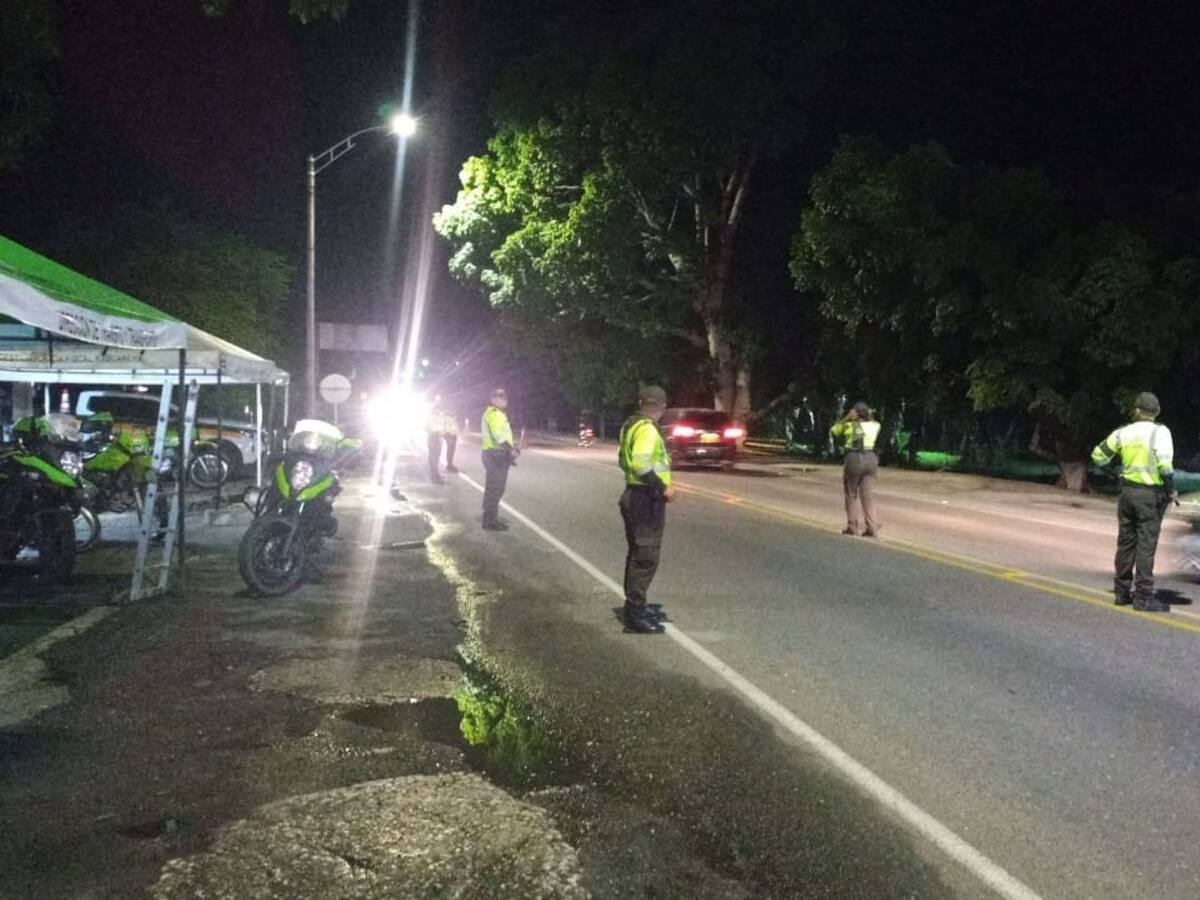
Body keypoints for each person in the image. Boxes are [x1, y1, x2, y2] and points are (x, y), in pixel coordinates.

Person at [1091, 392, 1176, 613]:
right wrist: (1171, 491)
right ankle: (1143, 596)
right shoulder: (1160, 432)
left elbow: (1098, 455)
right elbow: (1165, 466)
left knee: (1125, 544)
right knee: (1145, 546)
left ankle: (1121, 592)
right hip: (1149, 496)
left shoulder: (1123, 432)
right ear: (1157, 411)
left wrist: (1113, 473)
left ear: (1136, 410)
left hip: (1127, 494)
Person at [617, 385, 676, 634]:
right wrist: (663, 488)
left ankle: (634, 606)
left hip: (633, 495)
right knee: (645, 557)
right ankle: (635, 615)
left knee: (637, 554)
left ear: (641, 404)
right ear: (662, 407)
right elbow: (641, 465)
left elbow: (623, 460)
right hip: (644, 499)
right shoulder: (648, 430)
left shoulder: (631, 426)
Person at [830, 401, 882, 537]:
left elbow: (834, 431)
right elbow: (872, 421)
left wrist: (846, 418)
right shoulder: (876, 425)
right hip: (871, 458)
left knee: (851, 493)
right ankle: (872, 527)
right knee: (867, 495)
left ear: (855, 413)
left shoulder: (849, 425)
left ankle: (852, 526)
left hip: (854, 457)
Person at [480, 387, 518, 531]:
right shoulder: (495, 414)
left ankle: (491, 517)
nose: (505, 400)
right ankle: (489, 521)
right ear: (493, 399)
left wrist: (512, 446)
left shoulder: (495, 413)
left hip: (495, 454)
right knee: (495, 489)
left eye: (505, 398)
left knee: (495, 488)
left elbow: (503, 435)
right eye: (501, 398)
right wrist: (511, 449)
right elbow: (499, 436)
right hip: (495, 455)